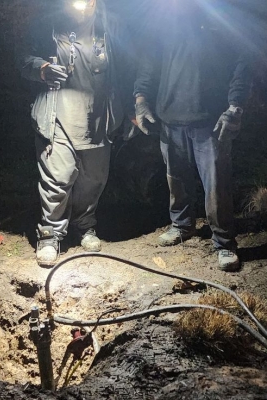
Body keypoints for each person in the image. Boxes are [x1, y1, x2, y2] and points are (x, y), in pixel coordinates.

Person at [133, 0, 255, 271]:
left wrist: (235, 106)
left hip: (209, 120)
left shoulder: (221, 20)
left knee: (216, 185)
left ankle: (224, 242)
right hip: (169, 118)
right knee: (175, 179)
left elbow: (242, 65)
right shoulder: (165, 21)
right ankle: (181, 225)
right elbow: (148, 64)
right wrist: (141, 100)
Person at [19, 0, 130, 266]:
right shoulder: (46, 23)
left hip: (97, 118)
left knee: (93, 180)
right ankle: (50, 234)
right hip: (57, 114)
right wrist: (42, 69)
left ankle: (85, 226)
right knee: (58, 176)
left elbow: (127, 68)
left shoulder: (110, 26)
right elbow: (23, 57)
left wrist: (132, 106)